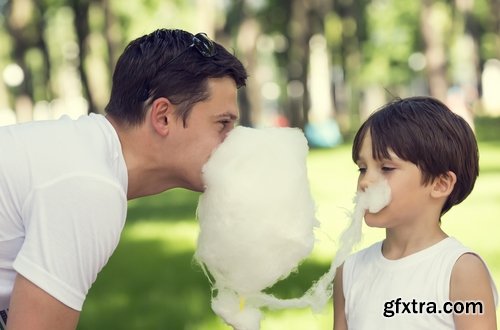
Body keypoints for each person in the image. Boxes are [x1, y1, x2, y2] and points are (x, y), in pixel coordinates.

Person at [0, 28, 247, 329]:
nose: (232, 142)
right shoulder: (89, 185)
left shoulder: (82, 154)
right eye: (222, 124)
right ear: (163, 117)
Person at [333, 96, 498, 329]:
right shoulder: (349, 271)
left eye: (386, 168)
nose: (365, 181)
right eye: (362, 168)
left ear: (440, 184)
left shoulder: (460, 271)